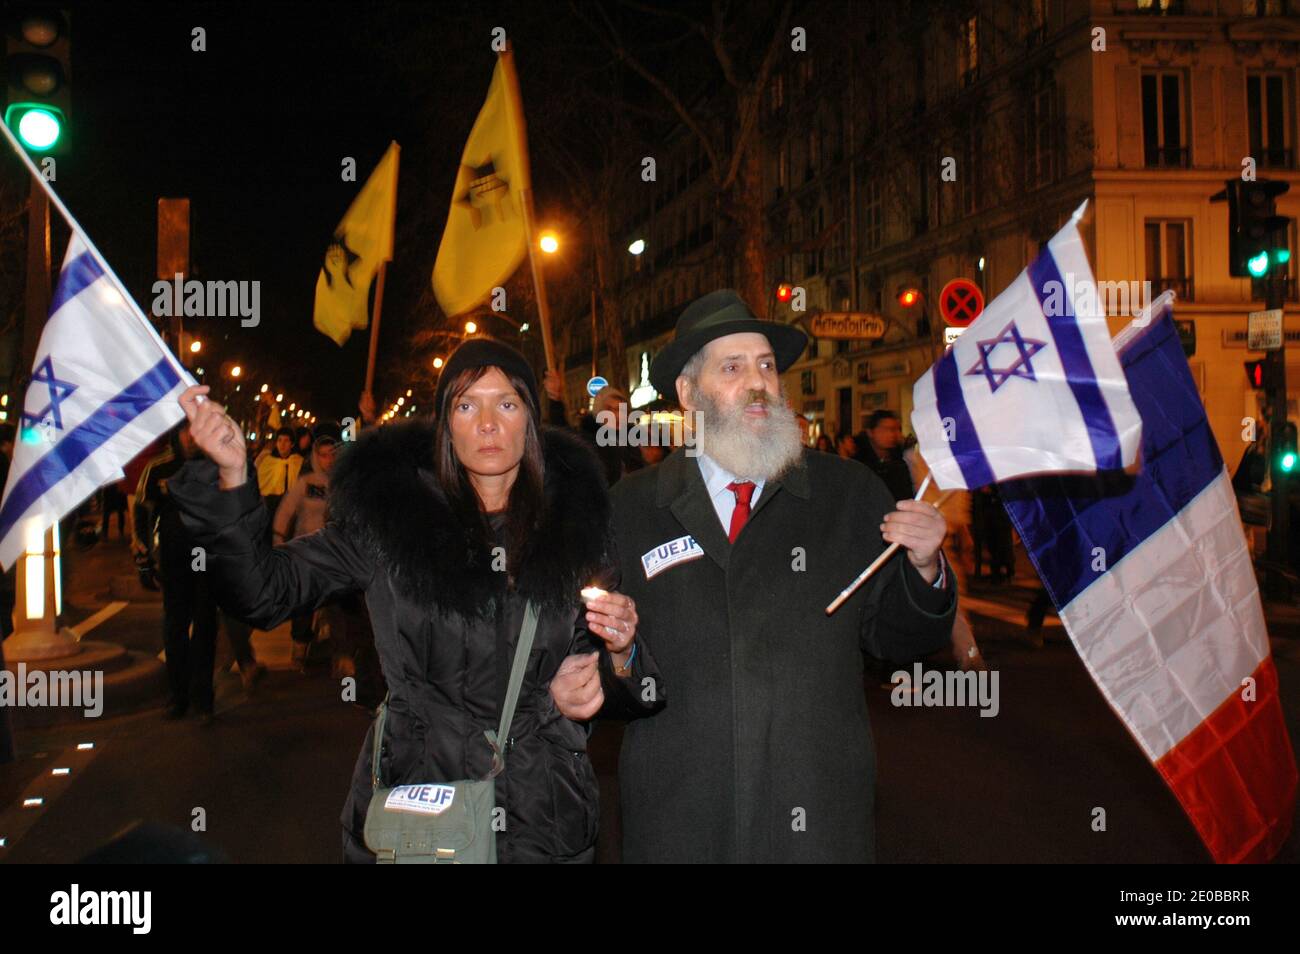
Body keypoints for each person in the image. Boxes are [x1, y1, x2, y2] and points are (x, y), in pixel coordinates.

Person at [168, 339, 657, 863]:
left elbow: (612, 673)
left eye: (507, 403)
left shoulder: (576, 529)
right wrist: (233, 476)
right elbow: (263, 592)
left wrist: (616, 660)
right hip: (419, 811)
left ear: (531, 422)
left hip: (544, 819)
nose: (488, 423)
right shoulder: (393, 522)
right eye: (467, 405)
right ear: (445, 424)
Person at [551, 289, 955, 863]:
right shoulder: (629, 509)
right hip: (682, 821)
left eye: (766, 365)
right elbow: (605, 672)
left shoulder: (847, 494)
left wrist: (924, 569)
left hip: (817, 819)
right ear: (689, 394)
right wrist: (610, 662)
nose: (759, 382)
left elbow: (901, 642)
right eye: (733, 368)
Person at [135, 423, 220, 724]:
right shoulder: (158, 468)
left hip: (207, 559)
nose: (192, 437)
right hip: (173, 559)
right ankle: (178, 695)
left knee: (205, 627)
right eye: (187, 431)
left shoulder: (217, 465)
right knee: (175, 627)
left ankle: (203, 698)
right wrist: (143, 558)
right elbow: (141, 512)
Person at [273, 421, 342, 672]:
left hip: (334, 555)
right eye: (323, 455)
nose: (328, 460)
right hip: (306, 552)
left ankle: (339, 655)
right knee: (304, 603)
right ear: (316, 456)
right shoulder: (306, 482)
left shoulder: (341, 485)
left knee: (336, 606)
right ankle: (300, 648)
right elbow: (285, 511)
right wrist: (278, 539)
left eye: (333, 455)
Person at [543, 372, 644, 487]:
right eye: (609, 409)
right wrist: (555, 400)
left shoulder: (633, 442)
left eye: (620, 409)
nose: (616, 415)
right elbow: (562, 434)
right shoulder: (588, 441)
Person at [858, 410, 914, 502]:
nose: (891, 434)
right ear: (870, 432)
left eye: (894, 429)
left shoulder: (900, 461)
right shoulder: (861, 463)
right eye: (885, 429)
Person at [254, 426, 302, 517]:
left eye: (286, 441)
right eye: (279, 440)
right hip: (269, 506)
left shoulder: (298, 461)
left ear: (292, 444)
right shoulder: (268, 461)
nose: (282, 444)